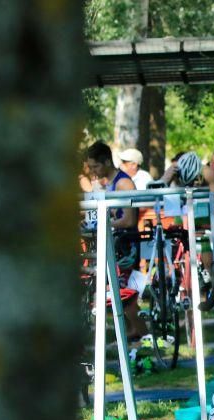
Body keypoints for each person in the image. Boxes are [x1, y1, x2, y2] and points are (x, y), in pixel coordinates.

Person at [84, 141, 146, 341]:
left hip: (126, 244)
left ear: (107, 162)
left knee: (124, 294)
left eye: (95, 167)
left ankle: (145, 334)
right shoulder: (106, 183)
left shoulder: (123, 183)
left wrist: (105, 224)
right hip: (113, 241)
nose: (93, 171)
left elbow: (129, 219)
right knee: (119, 293)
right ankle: (134, 332)